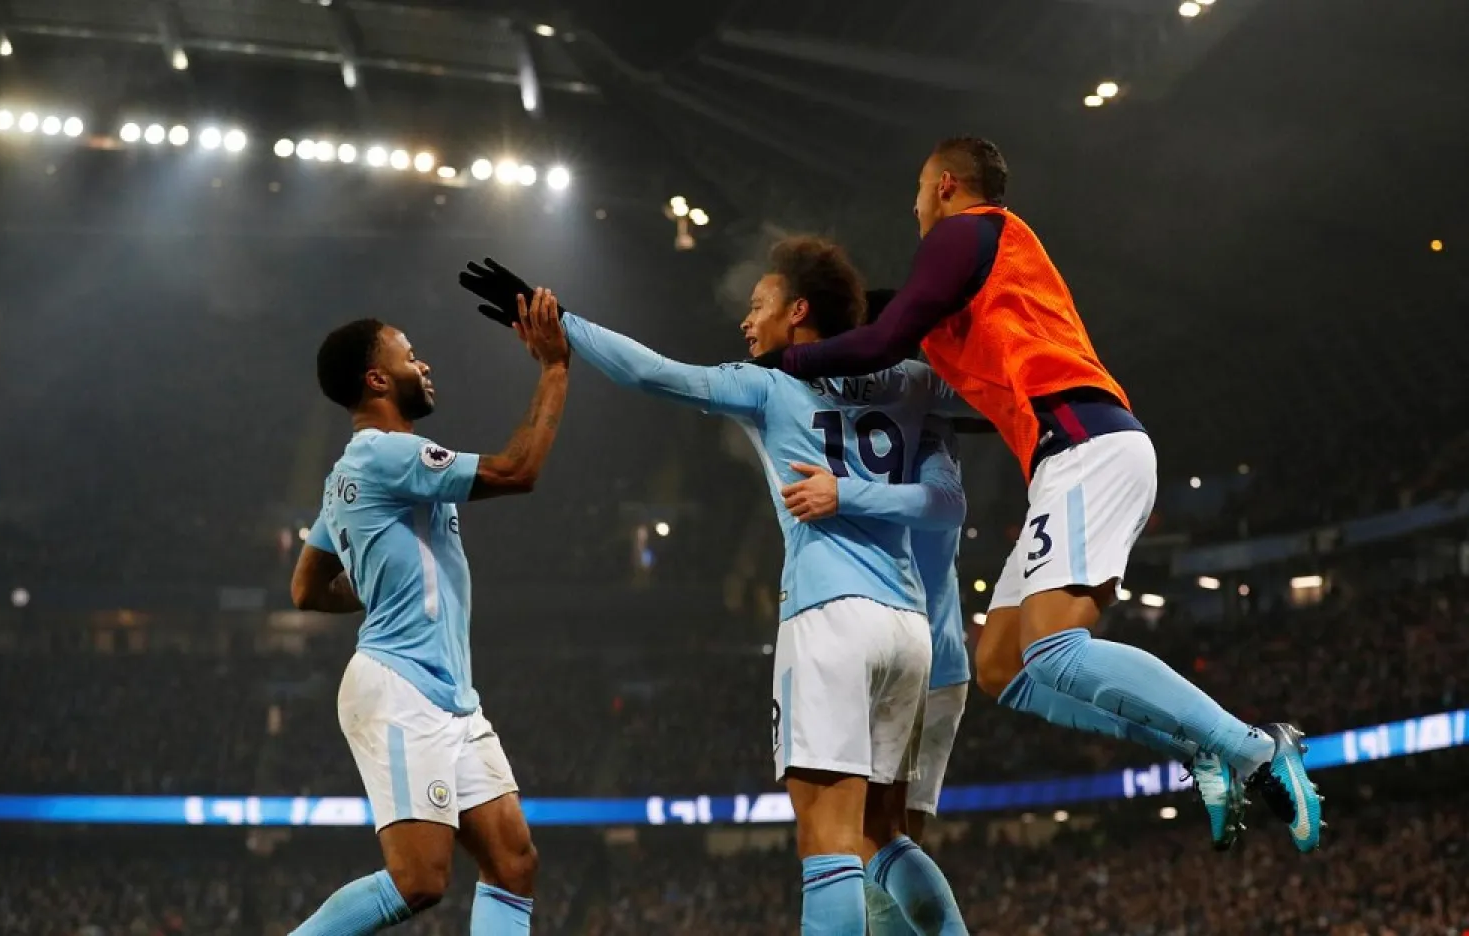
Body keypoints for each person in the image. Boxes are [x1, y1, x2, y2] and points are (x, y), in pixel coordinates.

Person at [747, 135, 1324, 854]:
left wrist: (789, 360)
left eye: (922, 190)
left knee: (1054, 651)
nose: (915, 205)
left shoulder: (968, 231)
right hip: (1066, 460)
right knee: (1003, 668)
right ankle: (1195, 744)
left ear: (949, 186)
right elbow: (923, 365)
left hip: (1089, 446)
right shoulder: (981, 296)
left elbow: (886, 336)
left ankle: (1254, 748)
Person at [459, 242, 970, 936]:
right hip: (909, 628)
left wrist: (559, 322)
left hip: (831, 620)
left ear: (798, 312)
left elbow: (653, 373)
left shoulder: (769, 384)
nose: (745, 323)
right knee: (883, 834)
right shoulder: (907, 381)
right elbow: (971, 424)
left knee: (827, 844)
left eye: (757, 306)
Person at [287, 290, 570, 935]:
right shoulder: (390, 454)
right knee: (419, 880)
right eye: (411, 356)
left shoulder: (346, 472)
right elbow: (519, 469)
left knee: (513, 861)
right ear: (378, 378)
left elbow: (305, 588)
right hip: (400, 685)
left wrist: (383, 583)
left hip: (449, 696)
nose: (426, 366)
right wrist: (554, 368)